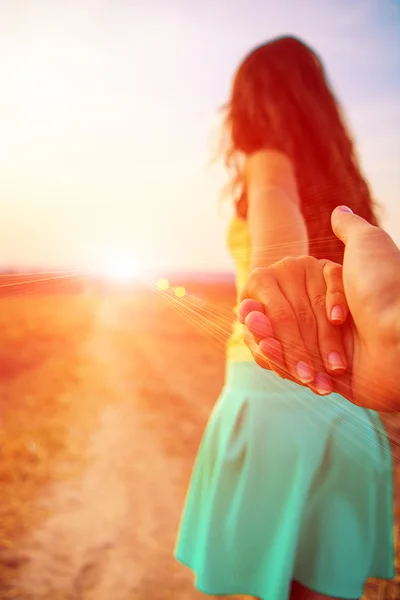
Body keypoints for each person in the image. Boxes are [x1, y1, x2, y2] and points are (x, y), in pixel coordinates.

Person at [175, 36, 394, 600]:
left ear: (249, 101)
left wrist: (276, 279)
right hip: (351, 404)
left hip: (275, 394)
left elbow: (274, 200)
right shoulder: (347, 191)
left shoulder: (266, 157)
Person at [239, 206, 400, 411]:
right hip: (351, 393)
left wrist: (276, 298)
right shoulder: (345, 183)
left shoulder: (269, 173)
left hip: (267, 395)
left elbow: (273, 191)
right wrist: (391, 339)